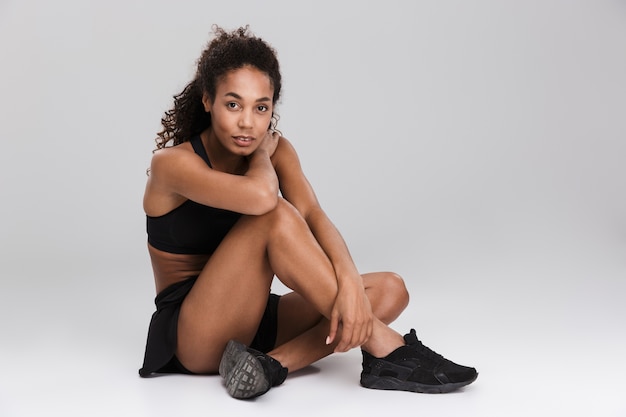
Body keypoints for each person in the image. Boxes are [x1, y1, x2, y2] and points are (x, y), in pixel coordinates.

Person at [139, 25, 477, 399]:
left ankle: (271, 365)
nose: (248, 122)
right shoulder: (171, 165)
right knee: (274, 216)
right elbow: (263, 199)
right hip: (194, 334)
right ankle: (387, 348)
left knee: (388, 290)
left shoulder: (277, 153)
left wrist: (348, 279)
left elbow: (314, 215)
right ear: (208, 101)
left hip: (255, 320)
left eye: (261, 107)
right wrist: (263, 155)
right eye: (233, 104)